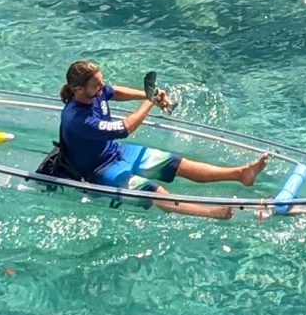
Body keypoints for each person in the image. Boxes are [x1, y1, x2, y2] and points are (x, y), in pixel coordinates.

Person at [59, 60, 269, 220]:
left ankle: (242, 174)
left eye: (101, 81)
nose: (102, 86)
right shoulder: (77, 119)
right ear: (78, 90)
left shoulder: (96, 91)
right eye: (96, 84)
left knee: (177, 164)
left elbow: (113, 92)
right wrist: (150, 102)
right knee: (155, 192)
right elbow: (124, 128)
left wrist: (147, 94)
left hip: (117, 152)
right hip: (98, 171)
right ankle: (215, 213)